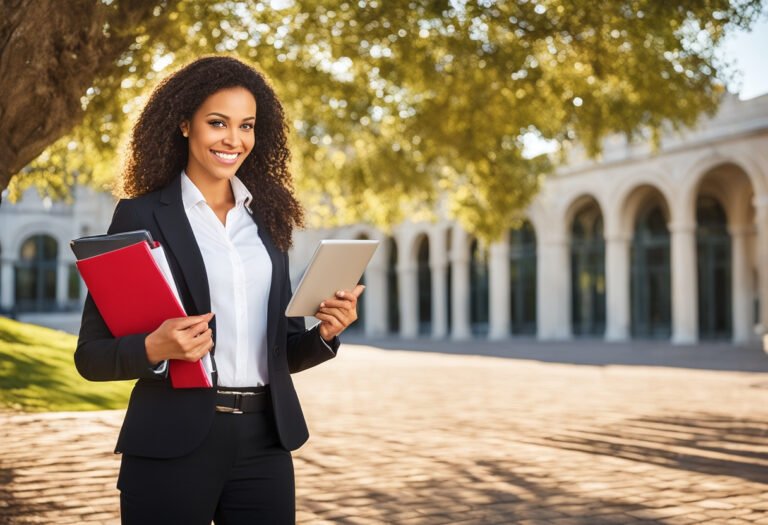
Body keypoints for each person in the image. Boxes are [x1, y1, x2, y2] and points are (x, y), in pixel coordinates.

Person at [75, 55, 363, 524]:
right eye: (218, 123)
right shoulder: (141, 217)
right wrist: (156, 347)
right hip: (171, 443)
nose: (234, 139)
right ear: (185, 124)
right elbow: (91, 355)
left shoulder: (268, 221)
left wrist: (326, 334)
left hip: (266, 443)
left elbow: (281, 350)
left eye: (246, 125)